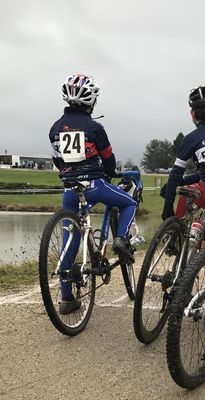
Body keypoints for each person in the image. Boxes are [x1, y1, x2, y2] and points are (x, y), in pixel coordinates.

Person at [49, 73, 137, 314]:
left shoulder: (55, 128)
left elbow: (58, 161)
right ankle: (120, 239)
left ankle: (66, 299)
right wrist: (108, 175)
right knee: (129, 203)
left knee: (70, 240)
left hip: (70, 188)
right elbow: (108, 159)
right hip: (94, 185)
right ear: (91, 101)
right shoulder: (95, 127)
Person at [161, 85, 205, 246]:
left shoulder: (192, 138)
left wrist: (167, 208)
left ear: (193, 114)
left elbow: (175, 174)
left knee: (186, 193)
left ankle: (175, 234)